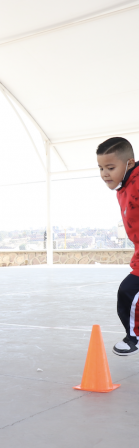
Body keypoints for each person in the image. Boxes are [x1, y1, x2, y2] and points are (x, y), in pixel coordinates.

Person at [97, 137, 139, 355]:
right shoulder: (123, 187)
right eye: (101, 168)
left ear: (129, 164)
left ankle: (134, 337)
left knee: (129, 291)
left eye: (111, 167)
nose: (104, 173)